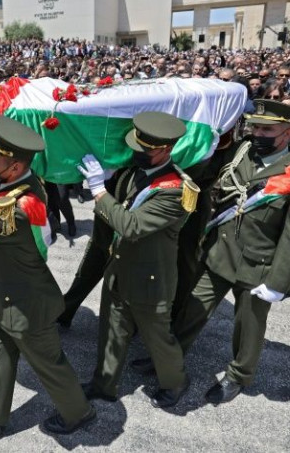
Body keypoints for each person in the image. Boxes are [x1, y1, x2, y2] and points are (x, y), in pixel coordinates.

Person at [135, 100, 290, 405]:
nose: (258, 134)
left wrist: (278, 282)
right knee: (192, 309)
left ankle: (239, 375)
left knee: (247, 325)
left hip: (259, 264)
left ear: (288, 133)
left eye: (267, 129)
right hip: (220, 253)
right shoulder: (241, 153)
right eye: (256, 127)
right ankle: (168, 359)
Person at [0, 115, 96, 438]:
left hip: (26, 305)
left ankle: (79, 413)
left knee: (50, 364)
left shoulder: (13, 210)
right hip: (6, 295)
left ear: (13, 167)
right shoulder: (27, 181)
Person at [75, 112, 192, 408]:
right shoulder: (136, 171)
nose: (136, 152)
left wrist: (99, 190)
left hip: (151, 279)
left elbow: (131, 226)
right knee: (111, 329)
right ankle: (104, 383)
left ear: (164, 150)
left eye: (145, 149)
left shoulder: (176, 189)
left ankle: (175, 382)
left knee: (157, 339)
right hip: (120, 267)